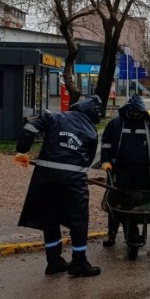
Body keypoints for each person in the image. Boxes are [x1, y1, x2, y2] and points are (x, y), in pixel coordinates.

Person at [14, 96, 102, 277]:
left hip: (45, 178)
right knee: (79, 219)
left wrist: (22, 151)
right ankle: (79, 263)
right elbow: (89, 159)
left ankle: (54, 261)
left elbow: (30, 129)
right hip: (72, 181)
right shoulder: (91, 131)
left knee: (49, 217)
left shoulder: (55, 117)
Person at [99, 94, 150, 247]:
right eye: (133, 112)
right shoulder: (116, 124)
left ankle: (133, 229)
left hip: (141, 172)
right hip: (119, 171)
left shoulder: (148, 125)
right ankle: (112, 233)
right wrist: (105, 161)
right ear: (127, 110)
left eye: (138, 112)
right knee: (115, 203)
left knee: (136, 203)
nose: (135, 115)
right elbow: (106, 143)